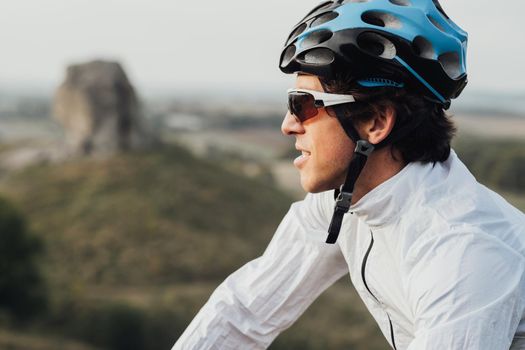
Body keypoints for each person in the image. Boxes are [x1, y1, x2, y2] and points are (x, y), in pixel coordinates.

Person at [173, 0, 525, 349]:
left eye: (305, 105)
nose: (288, 125)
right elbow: (244, 313)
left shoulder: (463, 252)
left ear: (375, 122)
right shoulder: (346, 198)